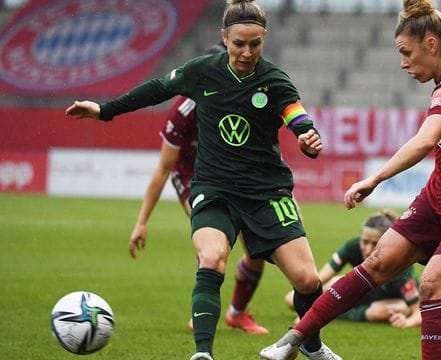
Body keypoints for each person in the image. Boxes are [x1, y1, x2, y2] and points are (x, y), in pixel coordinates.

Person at [259, 0, 441, 359]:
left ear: (431, 45)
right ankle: (294, 340)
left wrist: (374, 178)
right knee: (377, 263)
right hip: (439, 197)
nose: (403, 63)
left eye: (407, 53)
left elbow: (425, 140)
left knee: (431, 285)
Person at [65, 1, 341, 359]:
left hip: (267, 194)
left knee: (307, 280)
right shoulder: (202, 72)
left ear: (264, 40)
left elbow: (297, 115)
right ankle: (203, 353)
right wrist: (105, 111)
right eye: (239, 43)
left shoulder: (274, 80)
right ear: (224, 37)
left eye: (255, 44)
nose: (246, 51)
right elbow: (155, 88)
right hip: (215, 191)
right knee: (211, 258)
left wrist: (308, 136)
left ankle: (312, 346)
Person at [129, 92, 268, 335]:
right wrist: (141, 222)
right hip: (191, 177)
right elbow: (163, 168)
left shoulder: (242, 96)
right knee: (212, 244)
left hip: (232, 175)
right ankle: (202, 312)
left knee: (257, 248)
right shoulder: (184, 112)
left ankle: (236, 313)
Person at [284, 209, 421, 328]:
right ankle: (334, 313)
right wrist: (306, 308)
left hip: (390, 301)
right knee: (292, 299)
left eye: (375, 244)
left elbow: (417, 309)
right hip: (363, 294)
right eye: (365, 242)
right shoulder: (353, 247)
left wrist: (407, 322)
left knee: (382, 311)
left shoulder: (399, 265)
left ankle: (336, 314)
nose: (367, 249)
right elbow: (318, 280)